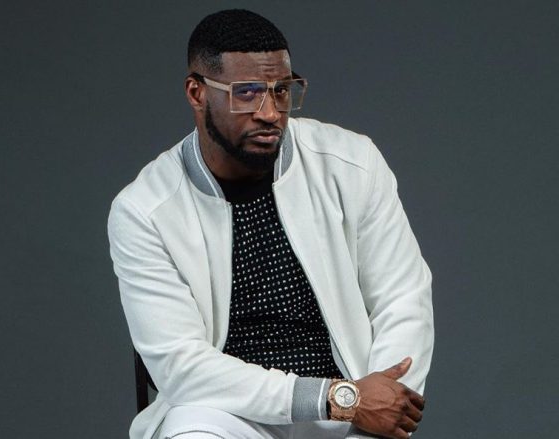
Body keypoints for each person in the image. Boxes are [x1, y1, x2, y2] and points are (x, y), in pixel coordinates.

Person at [108, 9, 434, 439]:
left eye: (281, 91)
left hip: (352, 407)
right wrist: (335, 398)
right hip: (230, 413)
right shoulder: (145, 210)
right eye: (246, 93)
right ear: (196, 93)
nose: (270, 113)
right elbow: (181, 366)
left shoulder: (351, 163)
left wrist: (381, 404)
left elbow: (403, 298)